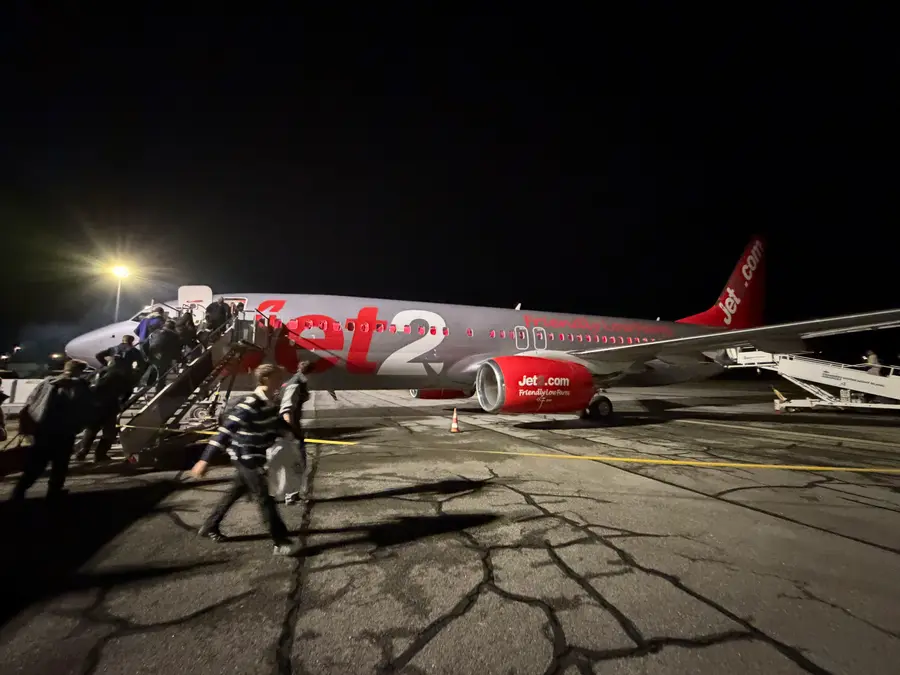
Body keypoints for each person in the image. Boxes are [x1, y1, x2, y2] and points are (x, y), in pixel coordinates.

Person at [191, 364, 296, 556]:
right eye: (278, 376)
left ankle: (209, 526)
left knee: (235, 492)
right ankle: (280, 541)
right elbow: (223, 433)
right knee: (265, 498)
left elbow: (277, 423)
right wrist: (205, 460)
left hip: (256, 456)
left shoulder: (270, 403)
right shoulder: (249, 404)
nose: (282, 380)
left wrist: (289, 433)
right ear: (266, 379)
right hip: (246, 458)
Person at [11, 360, 92, 501]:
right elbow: (84, 408)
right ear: (79, 371)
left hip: (42, 430)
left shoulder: (47, 383)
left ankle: (19, 491)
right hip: (64, 432)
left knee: (37, 464)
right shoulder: (79, 386)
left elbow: (31, 401)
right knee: (60, 465)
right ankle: (53, 493)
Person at [74, 360, 131, 463]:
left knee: (92, 430)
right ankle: (100, 454)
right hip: (109, 406)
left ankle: (82, 451)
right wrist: (122, 402)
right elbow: (128, 390)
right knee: (109, 432)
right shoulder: (120, 376)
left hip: (93, 406)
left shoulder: (96, 373)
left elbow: (82, 384)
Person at [278, 361, 314, 504]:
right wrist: (291, 433)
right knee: (297, 461)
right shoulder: (296, 383)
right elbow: (286, 409)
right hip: (290, 429)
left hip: (290, 427)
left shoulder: (294, 381)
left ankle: (290, 494)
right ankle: (290, 495)